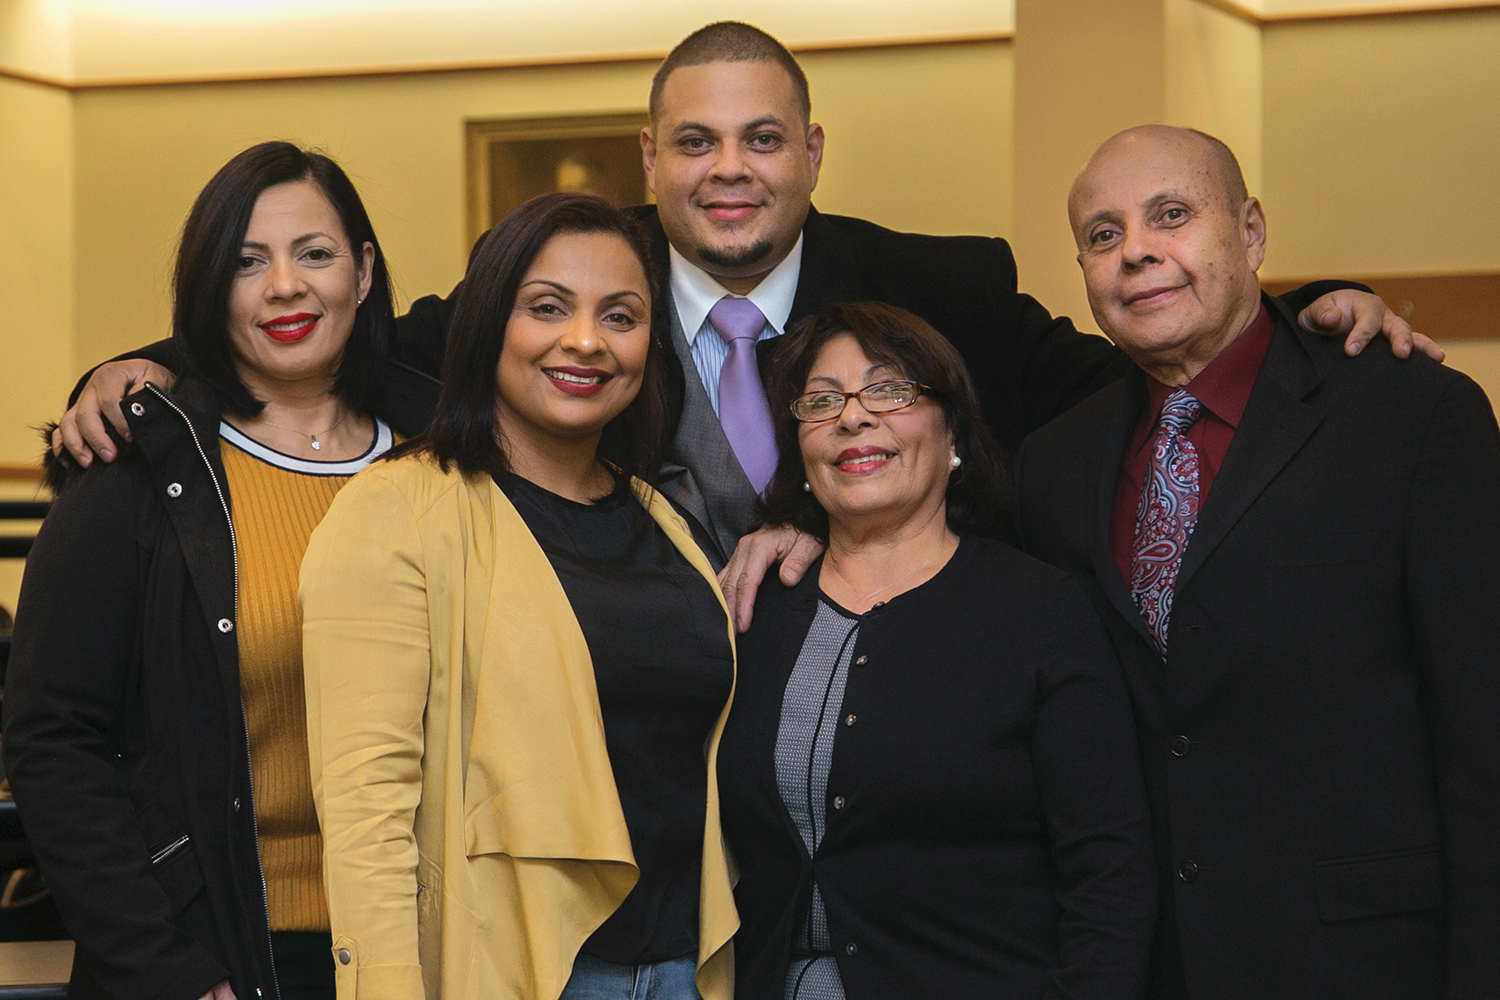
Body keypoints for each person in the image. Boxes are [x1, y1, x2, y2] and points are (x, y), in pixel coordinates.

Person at [54, 23, 1425, 575]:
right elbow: (346, 342)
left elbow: (1133, 358)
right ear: (650, 158)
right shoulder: (545, 301)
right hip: (616, 773)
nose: (729, 173)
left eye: (762, 140)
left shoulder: (944, 285)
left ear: (811, 154)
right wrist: (151, 364)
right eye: (696, 144)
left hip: (882, 764)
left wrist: (1312, 308)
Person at [1011, 126, 1500, 999]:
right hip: (1147, 966)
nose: (1137, 254)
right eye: (1103, 234)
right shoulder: (1055, 465)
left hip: (1368, 962)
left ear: (1251, 233)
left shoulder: (1413, 418)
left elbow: (1482, 737)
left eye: (1171, 215)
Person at [297, 193, 737, 1000]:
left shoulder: (662, 519)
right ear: (488, 324)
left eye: (621, 316)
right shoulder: (396, 510)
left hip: (686, 967)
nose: (585, 341)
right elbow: (367, 807)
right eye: (547, 308)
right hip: (516, 972)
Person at [2, 141, 408, 1000]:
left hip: (423, 949)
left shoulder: (444, 457)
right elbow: (53, 740)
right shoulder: (135, 470)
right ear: (207, 288)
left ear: (363, 273)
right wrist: (165, 969)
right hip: (218, 956)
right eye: (246, 262)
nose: (285, 287)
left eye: (315, 253)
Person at [718, 301, 1156, 999]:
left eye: (889, 390)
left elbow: (1108, 872)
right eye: (821, 400)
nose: (852, 417)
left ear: (953, 432)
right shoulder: (754, 609)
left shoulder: (1040, 613)